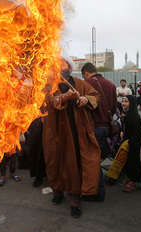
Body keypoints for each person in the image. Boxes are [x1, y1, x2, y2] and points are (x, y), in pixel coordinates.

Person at [42, 57, 101, 218]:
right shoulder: (48, 85)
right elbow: (44, 103)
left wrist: (84, 99)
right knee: (54, 162)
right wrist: (63, 97)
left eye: (63, 64)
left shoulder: (80, 83)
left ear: (69, 67)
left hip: (76, 131)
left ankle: (74, 201)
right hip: (54, 131)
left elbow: (95, 96)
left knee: (73, 164)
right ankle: (57, 192)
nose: (60, 66)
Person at [82, 62, 117, 202]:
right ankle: (96, 190)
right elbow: (114, 107)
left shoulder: (86, 84)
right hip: (107, 126)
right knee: (98, 159)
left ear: (85, 73)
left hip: (93, 127)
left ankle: (96, 192)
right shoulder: (111, 84)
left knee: (92, 161)